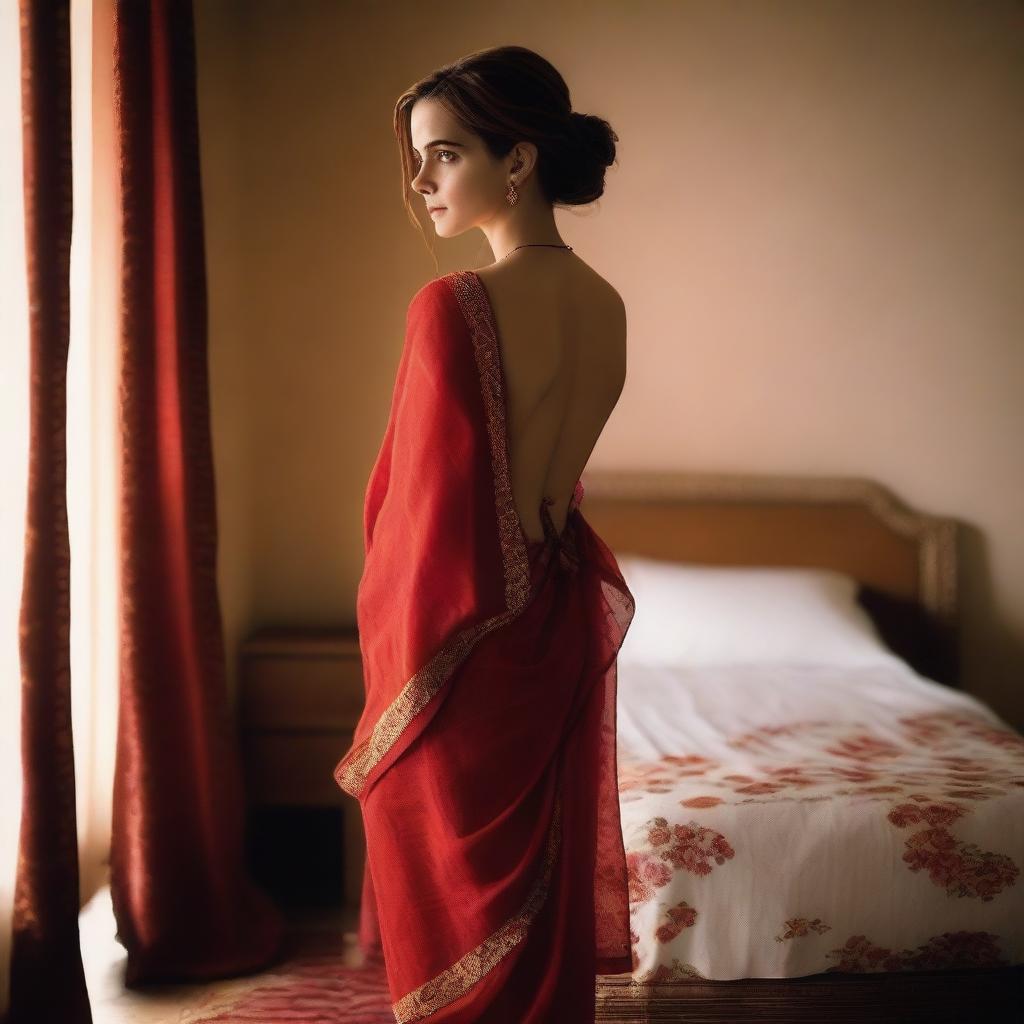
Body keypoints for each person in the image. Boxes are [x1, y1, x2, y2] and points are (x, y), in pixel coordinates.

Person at [333, 44, 634, 1023]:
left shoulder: (452, 304)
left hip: (462, 644)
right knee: (532, 900)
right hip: (550, 627)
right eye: (419, 158)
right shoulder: (605, 305)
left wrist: (394, 655)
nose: (420, 181)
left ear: (518, 161)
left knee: (455, 893)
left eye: (444, 154)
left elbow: (425, 512)